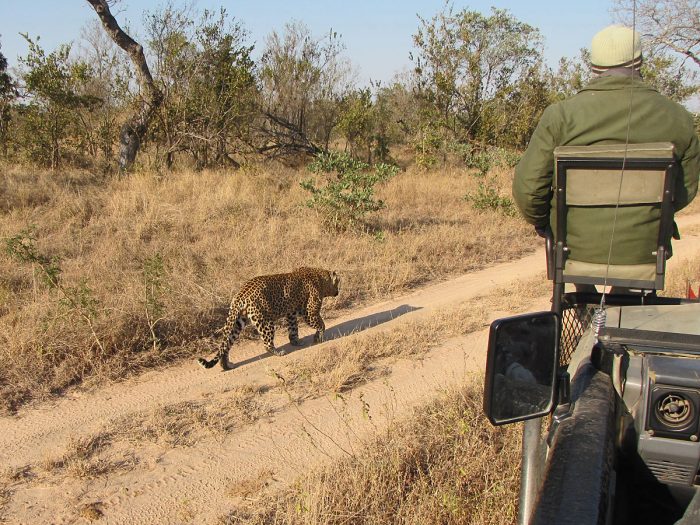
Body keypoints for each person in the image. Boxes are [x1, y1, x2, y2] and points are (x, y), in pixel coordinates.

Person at [512, 25, 700, 273]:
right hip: (644, 252)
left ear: (593, 66)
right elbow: (684, 191)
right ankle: (627, 302)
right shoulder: (679, 118)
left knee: (578, 262)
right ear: (639, 62)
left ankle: (584, 303)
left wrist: (545, 223)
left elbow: (528, 191)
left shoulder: (561, 116)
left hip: (574, 248)